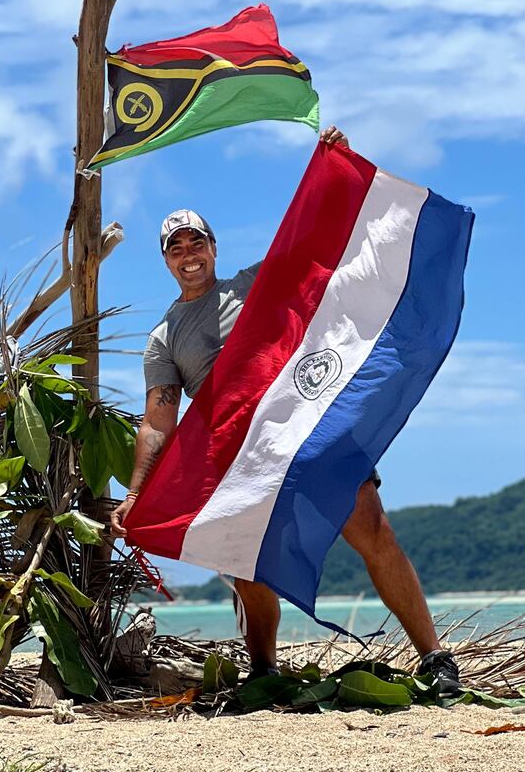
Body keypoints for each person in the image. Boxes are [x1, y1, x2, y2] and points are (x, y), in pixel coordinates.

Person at [111, 126, 461, 695]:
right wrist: (134, 493)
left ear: (213, 248)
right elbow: (157, 422)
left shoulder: (253, 285)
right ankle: (265, 673)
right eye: (175, 248)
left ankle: (434, 658)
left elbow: (317, 243)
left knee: (372, 530)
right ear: (166, 262)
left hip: (312, 427)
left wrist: (335, 165)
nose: (187, 254)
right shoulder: (164, 337)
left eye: (195, 241)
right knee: (247, 567)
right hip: (242, 459)